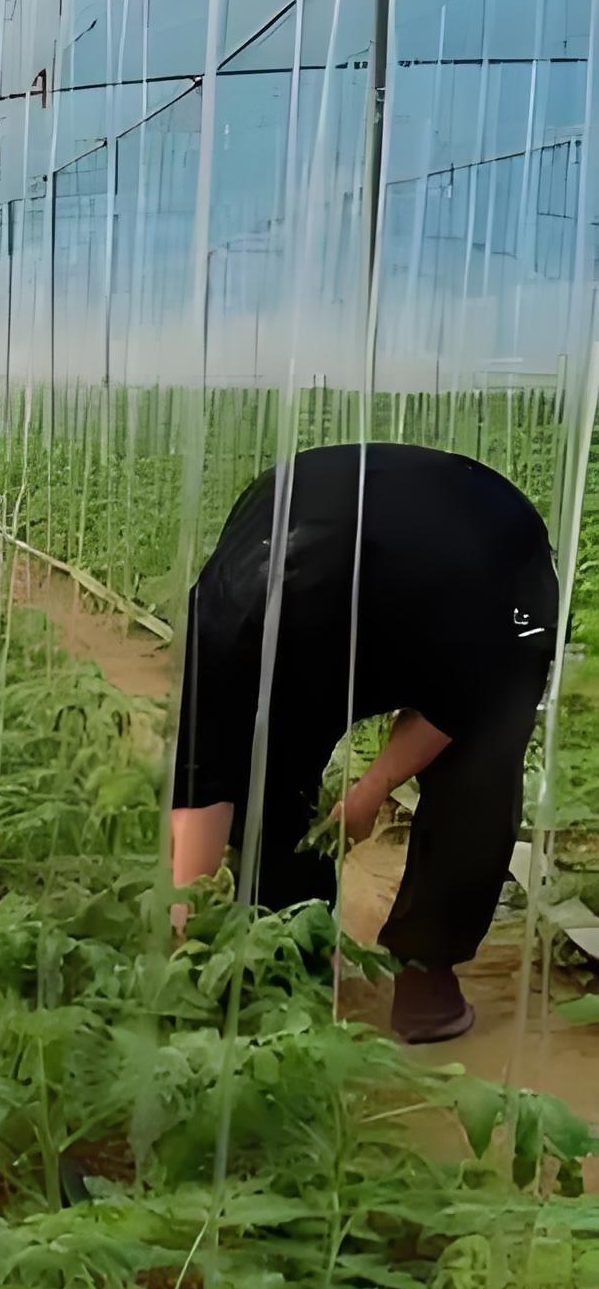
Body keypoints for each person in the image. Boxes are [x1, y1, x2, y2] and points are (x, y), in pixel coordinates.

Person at [170, 442, 556, 1043]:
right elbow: (205, 772)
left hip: (489, 566)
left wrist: (372, 789)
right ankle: (290, 943)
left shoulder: (470, 589)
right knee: (267, 766)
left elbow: (460, 704)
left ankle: (427, 968)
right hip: (332, 545)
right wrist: (186, 922)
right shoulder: (227, 618)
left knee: (484, 753)